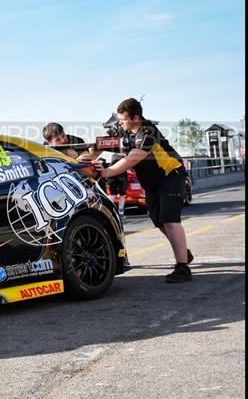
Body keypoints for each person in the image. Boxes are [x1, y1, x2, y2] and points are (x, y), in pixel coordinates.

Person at [82, 98, 194, 283]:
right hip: (152, 183)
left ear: (136, 117)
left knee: (169, 219)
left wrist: (108, 172)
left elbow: (134, 157)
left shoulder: (148, 132)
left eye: (123, 119)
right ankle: (183, 252)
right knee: (158, 220)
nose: (120, 123)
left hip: (171, 176)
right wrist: (84, 159)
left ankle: (182, 267)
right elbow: (98, 146)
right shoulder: (122, 131)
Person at [106, 153, 128, 218]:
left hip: (112, 174)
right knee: (122, 194)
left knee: (113, 194)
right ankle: (121, 213)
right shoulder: (125, 156)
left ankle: (107, 210)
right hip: (122, 175)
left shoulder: (111, 155)